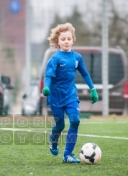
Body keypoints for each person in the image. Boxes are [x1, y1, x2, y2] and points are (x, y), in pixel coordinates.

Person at [42, 22, 98, 163]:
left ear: (73, 39)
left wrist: (92, 89)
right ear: (58, 41)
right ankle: (53, 140)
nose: (66, 41)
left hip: (71, 95)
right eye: (63, 39)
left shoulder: (77, 57)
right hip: (56, 96)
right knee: (60, 125)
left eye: (69, 38)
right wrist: (46, 87)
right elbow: (48, 76)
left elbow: (85, 74)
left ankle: (67, 155)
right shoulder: (55, 58)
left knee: (75, 121)